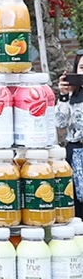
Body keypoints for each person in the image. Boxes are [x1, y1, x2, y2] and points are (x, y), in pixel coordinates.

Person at [58, 51, 83, 218]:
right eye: (82, 67)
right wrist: (64, 96)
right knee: (77, 205)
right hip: (76, 151)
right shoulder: (73, 95)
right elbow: (60, 123)